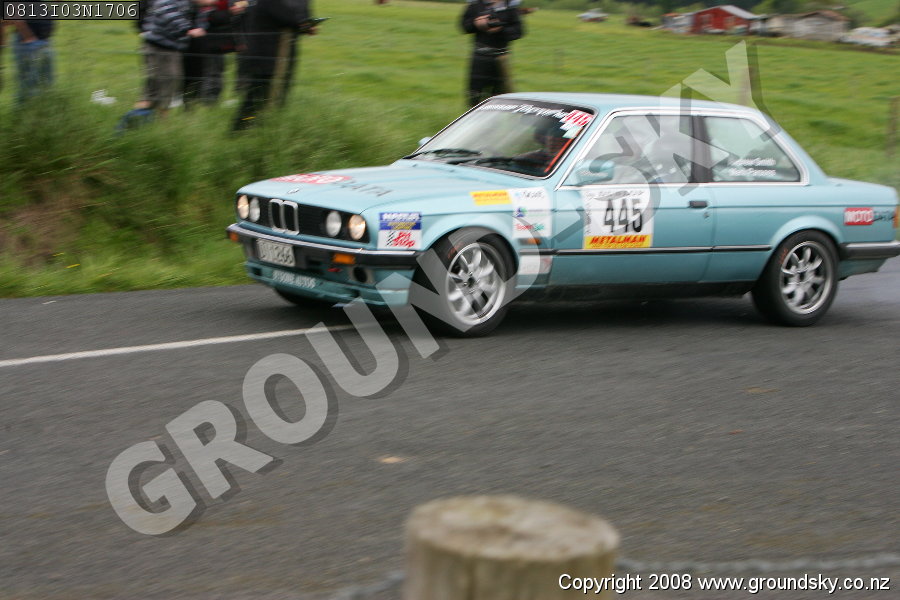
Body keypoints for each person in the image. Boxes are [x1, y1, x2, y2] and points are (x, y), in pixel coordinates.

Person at [232, 0, 318, 130]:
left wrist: (307, 26)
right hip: (266, 51)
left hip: (285, 52)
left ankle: (264, 129)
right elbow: (285, 16)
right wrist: (304, 24)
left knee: (279, 93)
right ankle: (241, 129)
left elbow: (300, 16)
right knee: (257, 94)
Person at [133, 0, 208, 117]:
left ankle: (160, 116)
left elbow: (200, 16)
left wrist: (200, 26)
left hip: (174, 47)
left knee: (173, 78)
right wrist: (188, 29)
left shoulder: (190, 4)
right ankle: (138, 116)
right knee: (156, 81)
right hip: (157, 44)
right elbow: (168, 12)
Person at [183, 0, 247, 106]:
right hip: (206, 41)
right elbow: (210, 17)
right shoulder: (204, 7)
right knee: (210, 74)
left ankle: (208, 102)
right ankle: (206, 103)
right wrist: (229, 12)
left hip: (217, 41)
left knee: (216, 73)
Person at [460, 0, 523, 108]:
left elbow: (518, 32)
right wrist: (476, 23)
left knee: (498, 97)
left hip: (500, 59)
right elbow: (464, 26)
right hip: (479, 58)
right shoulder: (476, 4)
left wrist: (501, 29)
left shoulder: (509, 7)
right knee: (474, 95)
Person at [4, 18, 55, 104]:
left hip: (44, 41)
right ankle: (24, 110)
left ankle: (42, 109)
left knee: (46, 84)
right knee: (29, 87)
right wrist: (28, 37)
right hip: (28, 43)